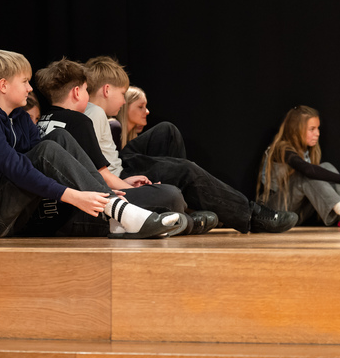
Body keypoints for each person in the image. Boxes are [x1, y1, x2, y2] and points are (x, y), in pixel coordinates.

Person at [0, 49, 182, 239]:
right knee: (47, 150)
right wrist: (73, 195)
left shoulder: (17, 116)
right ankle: (117, 210)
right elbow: (18, 168)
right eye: (25, 81)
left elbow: (45, 159)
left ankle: (114, 207)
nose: (30, 88)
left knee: (58, 138)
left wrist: (98, 188)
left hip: (11, 211)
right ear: (3, 85)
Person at [83, 56, 298, 234]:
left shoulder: (97, 114)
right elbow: (95, 171)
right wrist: (126, 185)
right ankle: (251, 215)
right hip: (120, 175)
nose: (123, 101)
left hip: (123, 168)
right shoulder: (95, 114)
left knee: (167, 131)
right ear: (107, 90)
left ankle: (188, 203)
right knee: (185, 170)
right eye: (122, 94)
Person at [35, 58, 216, 235]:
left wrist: (125, 184)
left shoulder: (40, 122)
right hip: (78, 212)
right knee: (171, 194)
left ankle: (176, 221)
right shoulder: (79, 121)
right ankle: (184, 222)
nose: (88, 96)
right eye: (85, 90)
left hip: (48, 214)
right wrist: (136, 190)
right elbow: (102, 177)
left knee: (161, 193)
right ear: (77, 92)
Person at [257, 105, 340, 227]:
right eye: (312, 129)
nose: (317, 133)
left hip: (296, 213)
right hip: (274, 212)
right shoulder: (281, 149)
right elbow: (307, 170)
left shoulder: (307, 151)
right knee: (306, 174)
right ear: (295, 130)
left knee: (325, 166)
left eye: (317, 128)